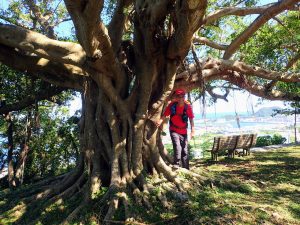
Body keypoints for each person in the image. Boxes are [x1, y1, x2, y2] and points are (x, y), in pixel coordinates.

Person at [155, 89, 195, 170]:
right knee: (177, 146)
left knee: (185, 149)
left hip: (183, 131)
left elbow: (191, 119)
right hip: (174, 129)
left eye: (182, 97)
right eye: (179, 97)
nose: (181, 98)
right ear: (176, 97)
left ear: (184, 97)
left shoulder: (187, 106)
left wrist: (192, 131)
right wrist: (160, 121)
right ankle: (176, 164)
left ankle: (186, 167)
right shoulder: (172, 105)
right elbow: (165, 114)